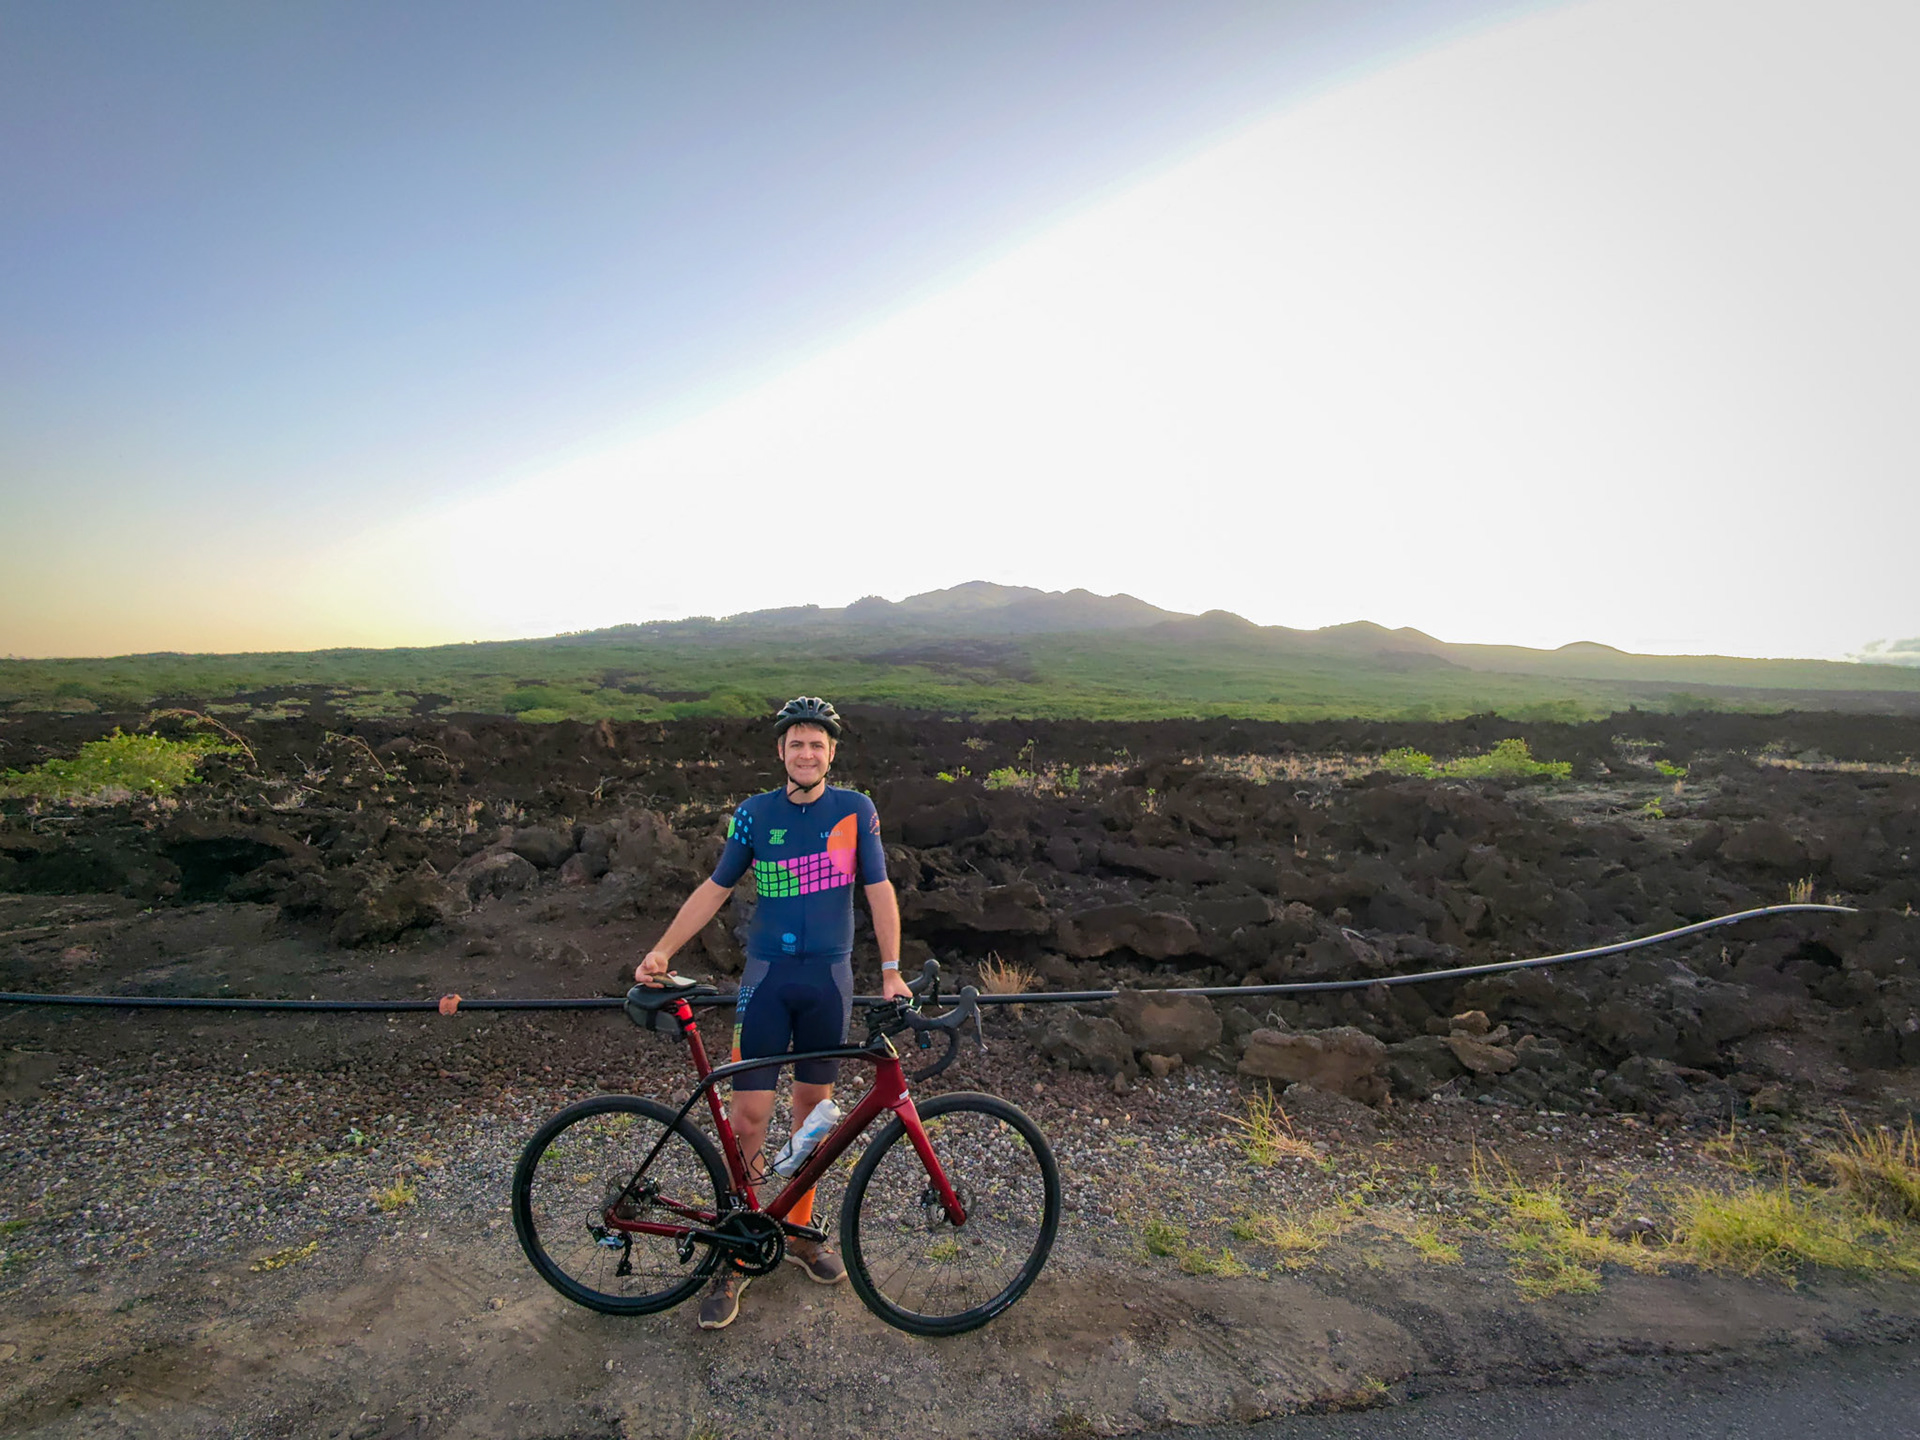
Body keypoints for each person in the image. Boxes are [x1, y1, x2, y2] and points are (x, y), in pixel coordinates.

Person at [635, 695, 912, 1330]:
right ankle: (738, 1246)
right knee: (749, 1115)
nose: (806, 753)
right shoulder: (754, 815)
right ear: (780, 752)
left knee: (814, 1115)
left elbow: (878, 889)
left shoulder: (856, 811)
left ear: (831, 753)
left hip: (830, 981)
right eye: (796, 743)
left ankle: (796, 1229)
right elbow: (715, 886)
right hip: (766, 978)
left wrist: (891, 972)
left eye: (817, 743)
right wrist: (662, 950)